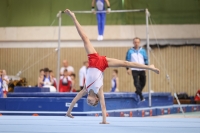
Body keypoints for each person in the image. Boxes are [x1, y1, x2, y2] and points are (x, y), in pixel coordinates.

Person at [64, 9, 159, 124]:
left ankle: (73, 17)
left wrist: (69, 112)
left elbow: (74, 101)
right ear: (96, 99)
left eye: (89, 103)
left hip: (93, 61)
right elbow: (103, 106)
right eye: (92, 103)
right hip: (103, 63)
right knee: (126, 63)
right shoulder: (99, 90)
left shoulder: (85, 90)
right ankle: (150, 67)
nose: (89, 102)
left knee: (85, 39)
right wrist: (104, 120)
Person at [126, 37, 148, 102]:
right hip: (134, 68)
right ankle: (141, 96)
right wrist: (128, 68)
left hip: (142, 68)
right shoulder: (130, 51)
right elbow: (127, 60)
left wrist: (146, 66)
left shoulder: (143, 51)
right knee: (136, 83)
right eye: (135, 42)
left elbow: (146, 59)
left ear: (139, 43)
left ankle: (138, 91)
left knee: (143, 82)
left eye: (138, 42)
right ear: (133, 43)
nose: (136, 44)